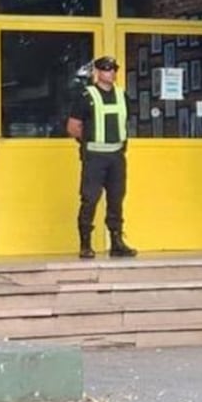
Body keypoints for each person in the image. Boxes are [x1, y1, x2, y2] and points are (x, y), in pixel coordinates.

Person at [66, 56, 138, 259]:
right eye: (107, 69)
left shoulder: (122, 95)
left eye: (114, 69)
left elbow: (125, 122)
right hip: (94, 156)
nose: (111, 73)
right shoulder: (86, 96)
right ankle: (85, 244)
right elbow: (73, 127)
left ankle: (117, 242)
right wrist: (88, 141)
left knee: (116, 199)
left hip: (116, 156)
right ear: (98, 72)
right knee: (90, 199)